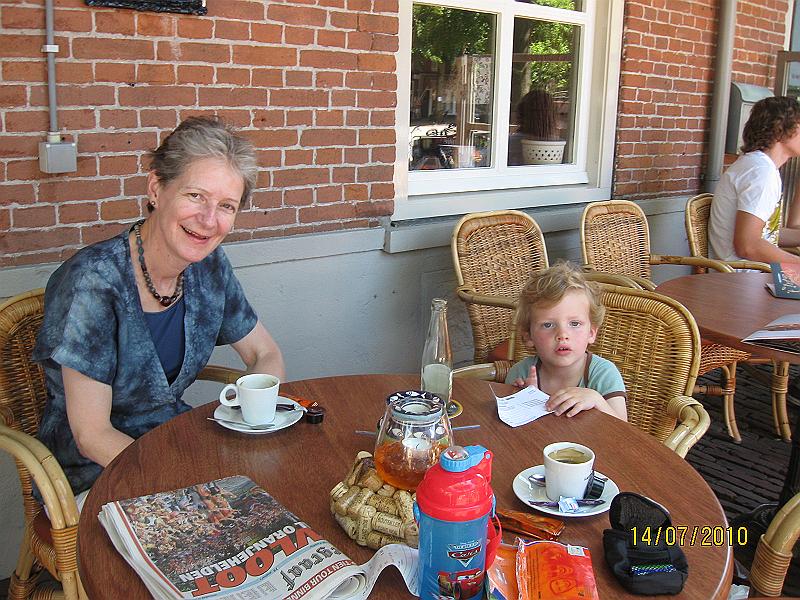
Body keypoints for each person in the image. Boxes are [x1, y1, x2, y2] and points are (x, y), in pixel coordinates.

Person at [33, 116, 285, 509]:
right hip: (94, 475)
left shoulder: (209, 267)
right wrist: (188, 484)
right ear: (156, 188)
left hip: (178, 448)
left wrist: (248, 411)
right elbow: (92, 435)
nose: (209, 220)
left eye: (226, 206)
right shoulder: (94, 281)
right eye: (196, 195)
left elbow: (264, 354)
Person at [505, 262, 627, 421]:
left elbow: (623, 430)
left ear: (591, 333)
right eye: (548, 325)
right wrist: (526, 401)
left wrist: (597, 400)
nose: (562, 335)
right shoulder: (521, 372)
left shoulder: (603, 374)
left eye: (574, 324)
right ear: (528, 336)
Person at [708, 95, 800, 263]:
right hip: (746, 276)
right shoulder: (761, 172)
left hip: (754, 273)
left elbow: (767, 235)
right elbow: (748, 246)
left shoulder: (758, 166)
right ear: (780, 130)